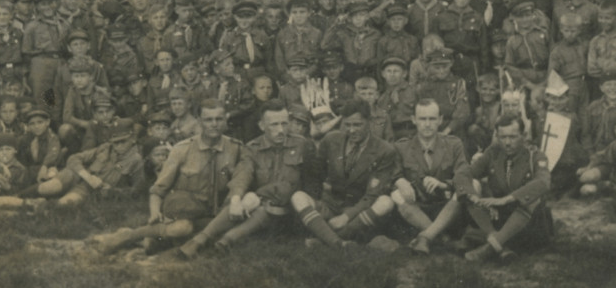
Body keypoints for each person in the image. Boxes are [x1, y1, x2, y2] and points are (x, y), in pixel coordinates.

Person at [91, 100, 244, 254]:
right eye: (208, 120)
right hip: (185, 212)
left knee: (217, 236)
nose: (214, 124)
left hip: (217, 215)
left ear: (225, 120)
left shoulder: (236, 149)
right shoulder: (182, 149)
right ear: (199, 121)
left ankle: (153, 240)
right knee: (182, 228)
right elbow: (158, 189)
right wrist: (155, 212)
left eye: (219, 119)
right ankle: (128, 236)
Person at [177, 101, 318, 257]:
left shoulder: (302, 145)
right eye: (274, 125)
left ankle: (224, 241)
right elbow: (243, 174)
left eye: (284, 124)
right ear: (262, 126)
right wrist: (236, 199)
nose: (281, 130)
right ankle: (202, 240)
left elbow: (312, 184)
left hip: (291, 212)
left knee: (259, 204)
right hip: (262, 209)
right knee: (248, 202)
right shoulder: (253, 148)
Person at [290, 99, 400, 246]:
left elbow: (372, 195)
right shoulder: (331, 140)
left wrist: (346, 217)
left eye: (357, 125)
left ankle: (324, 238)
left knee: (386, 202)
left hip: (358, 210)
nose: (352, 130)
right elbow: (316, 175)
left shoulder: (384, 150)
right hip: (331, 204)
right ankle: (338, 242)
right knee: (298, 197)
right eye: (348, 125)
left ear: (369, 122)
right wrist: (318, 198)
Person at [461, 115, 552, 262]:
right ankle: (500, 246)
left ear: (524, 135)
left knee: (532, 198)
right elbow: (467, 174)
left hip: (530, 223)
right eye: (503, 137)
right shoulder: (493, 153)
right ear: (497, 136)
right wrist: (473, 194)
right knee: (470, 187)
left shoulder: (535, 156)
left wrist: (506, 199)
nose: (507, 143)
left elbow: (543, 182)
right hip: (501, 218)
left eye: (513, 137)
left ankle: (490, 246)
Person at [390, 99, 471, 254]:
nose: (427, 124)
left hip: (447, 208)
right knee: (396, 193)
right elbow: (391, 175)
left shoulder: (454, 144)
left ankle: (426, 237)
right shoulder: (401, 147)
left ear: (440, 120)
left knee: (470, 186)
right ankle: (442, 238)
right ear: (414, 120)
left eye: (432, 119)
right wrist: (399, 181)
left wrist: (444, 184)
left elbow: (464, 175)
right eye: (422, 119)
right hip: (417, 210)